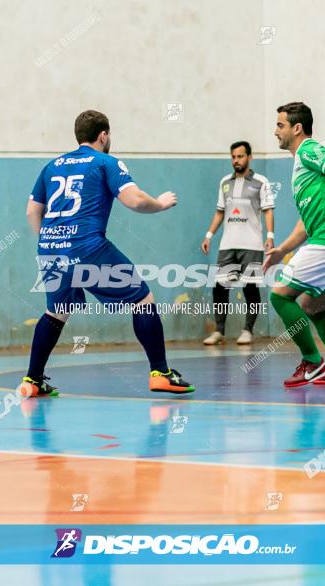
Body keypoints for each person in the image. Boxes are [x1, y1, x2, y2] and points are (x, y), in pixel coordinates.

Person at [23, 110, 196, 396]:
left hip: (51, 249)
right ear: (104, 135)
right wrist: (161, 203)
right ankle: (161, 373)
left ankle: (32, 380)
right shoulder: (106, 162)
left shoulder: (52, 166)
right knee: (142, 299)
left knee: (56, 311)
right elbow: (135, 200)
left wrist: (50, 240)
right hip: (88, 246)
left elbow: (32, 211)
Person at [262, 102, 325, 386]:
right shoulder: (300, 166)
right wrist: (282, 249)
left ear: (297, 128)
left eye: (280, 125)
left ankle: (313, 362)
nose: (275, 131)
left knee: (280, 296)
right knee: (313, 305)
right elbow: (306, 222)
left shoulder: (308, 150)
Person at [200, 141, 275, 345]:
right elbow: (220, 211)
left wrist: (270, 236)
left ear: (249, 157)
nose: (236, 160)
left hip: (252, 244)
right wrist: (209, 235)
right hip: (228, 244)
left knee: (250, 287)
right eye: (233, 157)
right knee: (220, 286)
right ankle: (219, 331)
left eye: (240, 156)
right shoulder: (225, 182)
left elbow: (268, 209)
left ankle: (247, 330)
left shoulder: (261, 181)